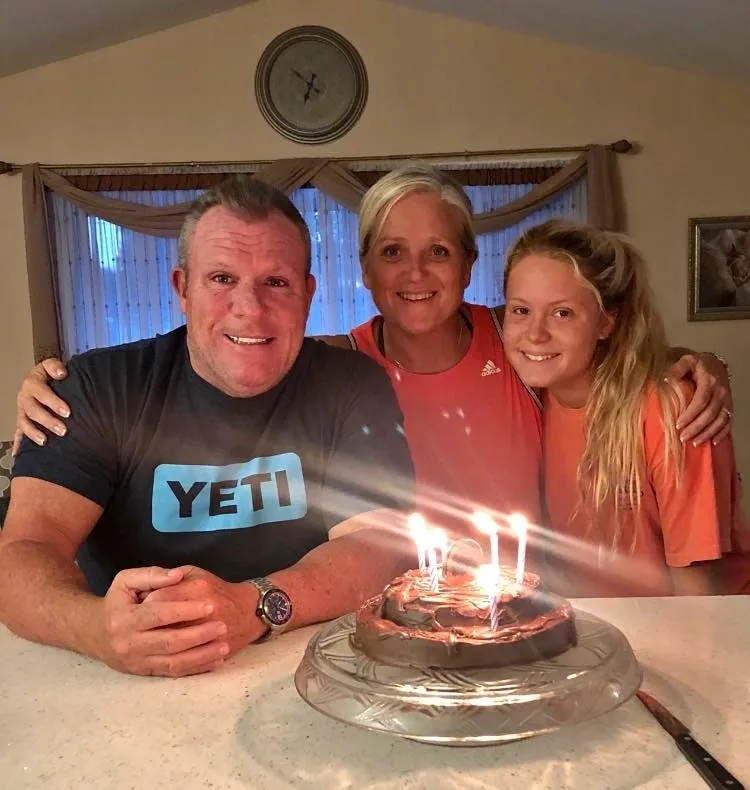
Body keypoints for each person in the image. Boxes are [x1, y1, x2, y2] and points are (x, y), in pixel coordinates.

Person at [13, 167, 734, 539]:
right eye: (394, 253)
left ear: (467, 263)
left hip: (521, 610)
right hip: (395, 619)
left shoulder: (514, 341)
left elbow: (596, 348)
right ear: (363, 270)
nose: (416, 274)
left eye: (438, 252)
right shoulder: (334, 363)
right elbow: (227, 351)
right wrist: (55, 383)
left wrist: (691, 361)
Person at [0, 176, 416, 678]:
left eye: (276, 282)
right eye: (221, 278)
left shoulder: (351, 385)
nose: (250, 307)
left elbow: (378, 546)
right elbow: (23, 552)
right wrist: (93, 627)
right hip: (123, 680)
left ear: (307, 294)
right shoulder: (97, 387)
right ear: (182, 288)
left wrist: (255, 606)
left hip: (304, 670)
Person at [502, 219, 750, 597]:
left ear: (606, 322)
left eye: (562, 313)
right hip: (603, 630)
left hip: (700, 631)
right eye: (520, 310)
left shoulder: (671, 409)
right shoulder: (530, 397)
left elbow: (698, 593)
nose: (535, 333)